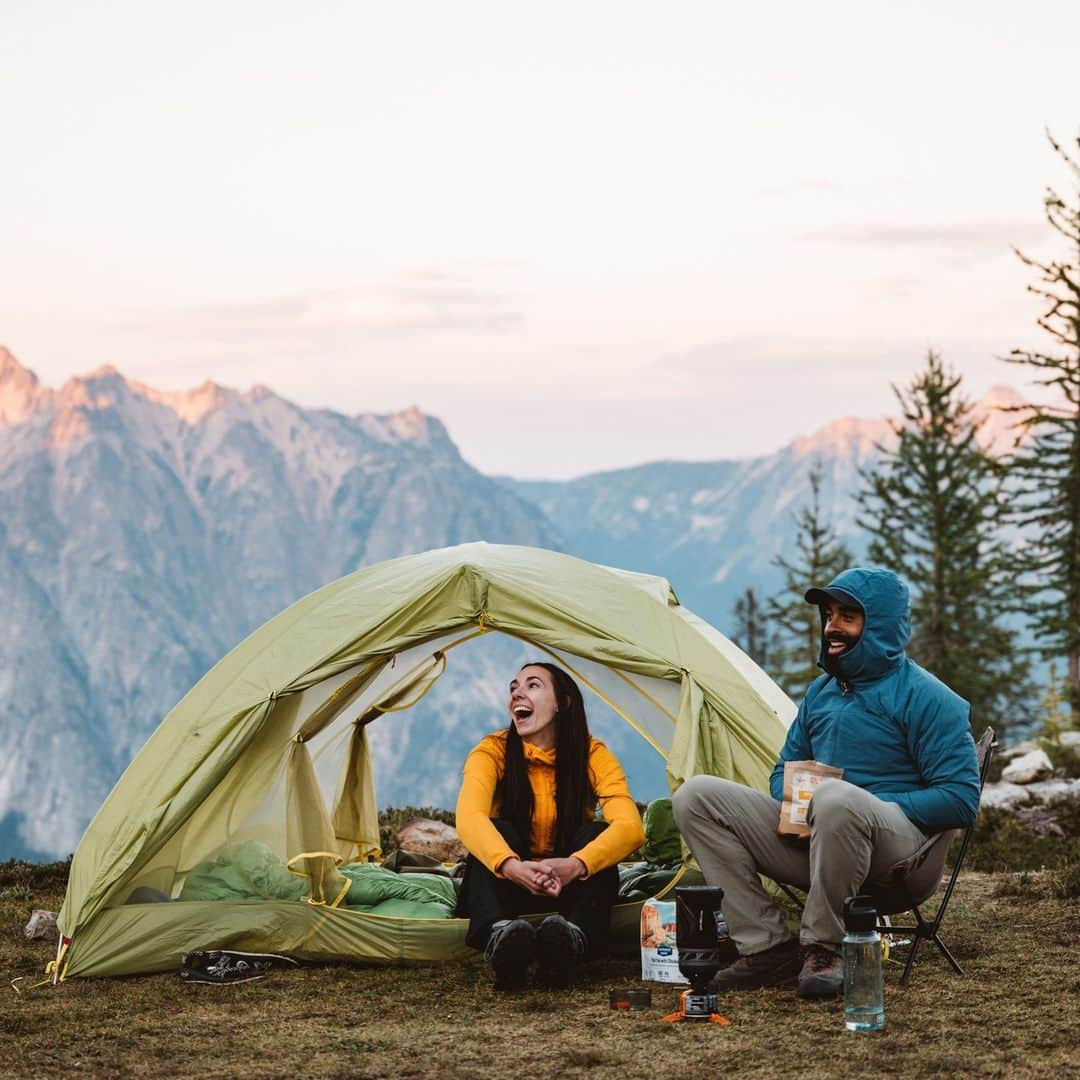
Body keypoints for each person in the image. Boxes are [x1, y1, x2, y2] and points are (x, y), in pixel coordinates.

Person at [672, 567, 980, 998]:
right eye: (828, 615)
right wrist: (802, 805)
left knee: (837, 798)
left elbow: (961, 799)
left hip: (899, 861)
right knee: (696, 796)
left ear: (880, 625)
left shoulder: (929, 697)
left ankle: (826, 948)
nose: (831, 627)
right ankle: (768, 947)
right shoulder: (822, 692)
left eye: (847, 616)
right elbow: (782, 772)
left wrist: (859, 804)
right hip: (820, 843)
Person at [455, 661, 645, 990]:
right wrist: (512, 866)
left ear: (562, 703)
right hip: (509, 883)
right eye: (513, 687)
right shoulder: (492, 751)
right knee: (495, 832)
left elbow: (630, 827)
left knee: (595, 836)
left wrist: (576, 865)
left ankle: (569, 941)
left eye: (532, 685)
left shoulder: (592, 754)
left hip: (567, 885)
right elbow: (468, 817)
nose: (517, 693)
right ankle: (502, 939)